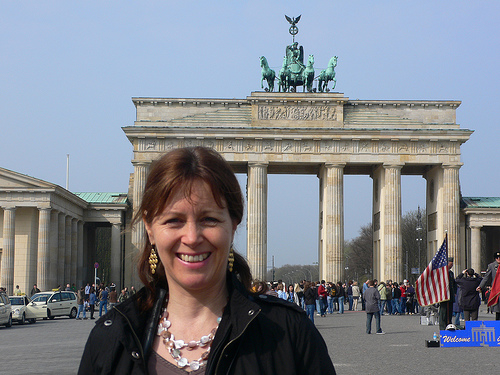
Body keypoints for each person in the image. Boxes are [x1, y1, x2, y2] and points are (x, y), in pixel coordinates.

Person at [78, 146, 335, 374]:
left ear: (234, 225)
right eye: (174, 220)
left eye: (209, 219)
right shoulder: (111, 338)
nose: (192, 237)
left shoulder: (290, 334)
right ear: (150, 228)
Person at [477, 251, 500, 320]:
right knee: (498, 311)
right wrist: (480, 286)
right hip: (497, 291)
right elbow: (486, 277)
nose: (498, 259)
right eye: (497, 257)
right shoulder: (492, 266)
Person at [439, 257, 457, 330]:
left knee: (449, 312)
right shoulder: (443, 273)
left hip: (450, 295)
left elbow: (454, 284)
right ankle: (442, 326)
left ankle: (448, 324)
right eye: (451, 263)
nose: (452, 264)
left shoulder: (451, 273)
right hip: (444, 296)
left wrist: (454, 292)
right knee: (443, 312)